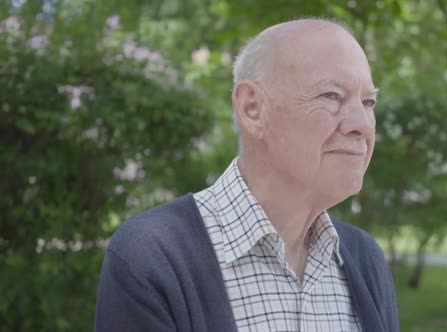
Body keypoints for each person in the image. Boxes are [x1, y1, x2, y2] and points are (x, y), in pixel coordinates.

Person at [95, 18, 399, 332]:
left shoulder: (365, 260)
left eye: (368, 101)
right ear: (253, 108)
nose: (362, 124)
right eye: (331, 96)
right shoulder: (152, 257)